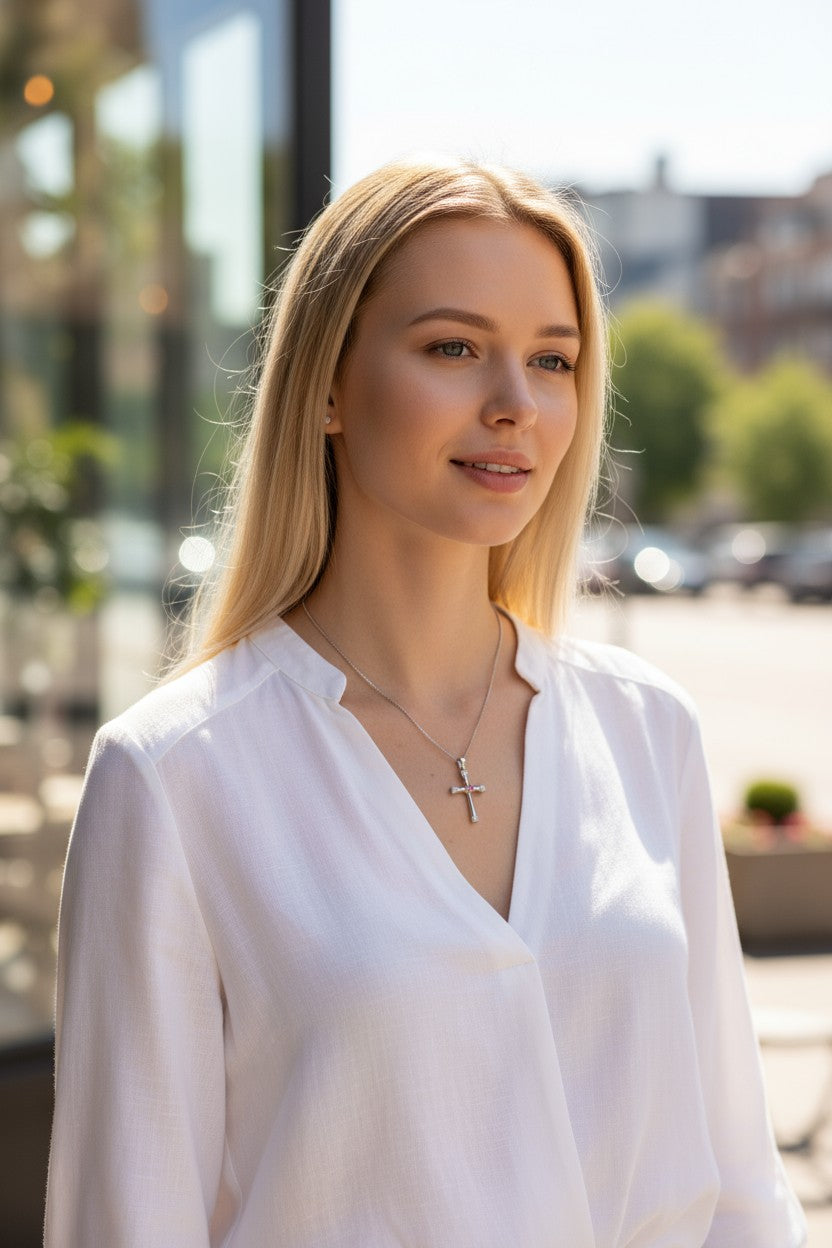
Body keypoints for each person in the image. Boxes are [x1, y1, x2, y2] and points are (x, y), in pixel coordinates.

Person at [44, 158, 806, 1247]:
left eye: (553, 360)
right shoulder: (175, 777)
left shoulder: (646, 731)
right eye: (453, 347)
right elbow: (130, 1217)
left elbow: (738, 1189)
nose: (515, 404)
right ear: (324, 387)